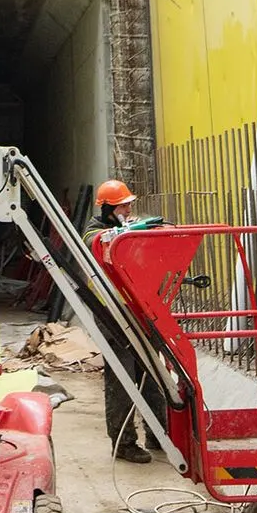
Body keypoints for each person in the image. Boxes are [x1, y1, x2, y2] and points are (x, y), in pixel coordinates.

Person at [86, 179, 166, 463]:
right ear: (108, 208)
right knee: (122, 378)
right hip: (111, 315)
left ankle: (160, 434)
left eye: (129, 203)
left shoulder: (128, 227)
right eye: (123, 204)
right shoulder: (92, 234)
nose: (129, 207)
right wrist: (131, 229)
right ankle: (124, 443)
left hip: (137, 310)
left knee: (152, 373)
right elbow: (105, 244)